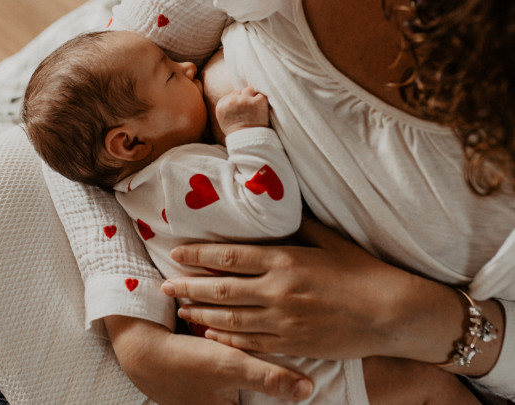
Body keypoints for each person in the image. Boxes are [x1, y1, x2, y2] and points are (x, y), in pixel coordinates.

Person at [41, 0, 514, 404]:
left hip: (333, 364)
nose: (183, 66)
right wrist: (134, 330)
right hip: (205, 362)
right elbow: (77, 103)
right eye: (170, 74)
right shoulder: (147, 156)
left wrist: (417, 317)